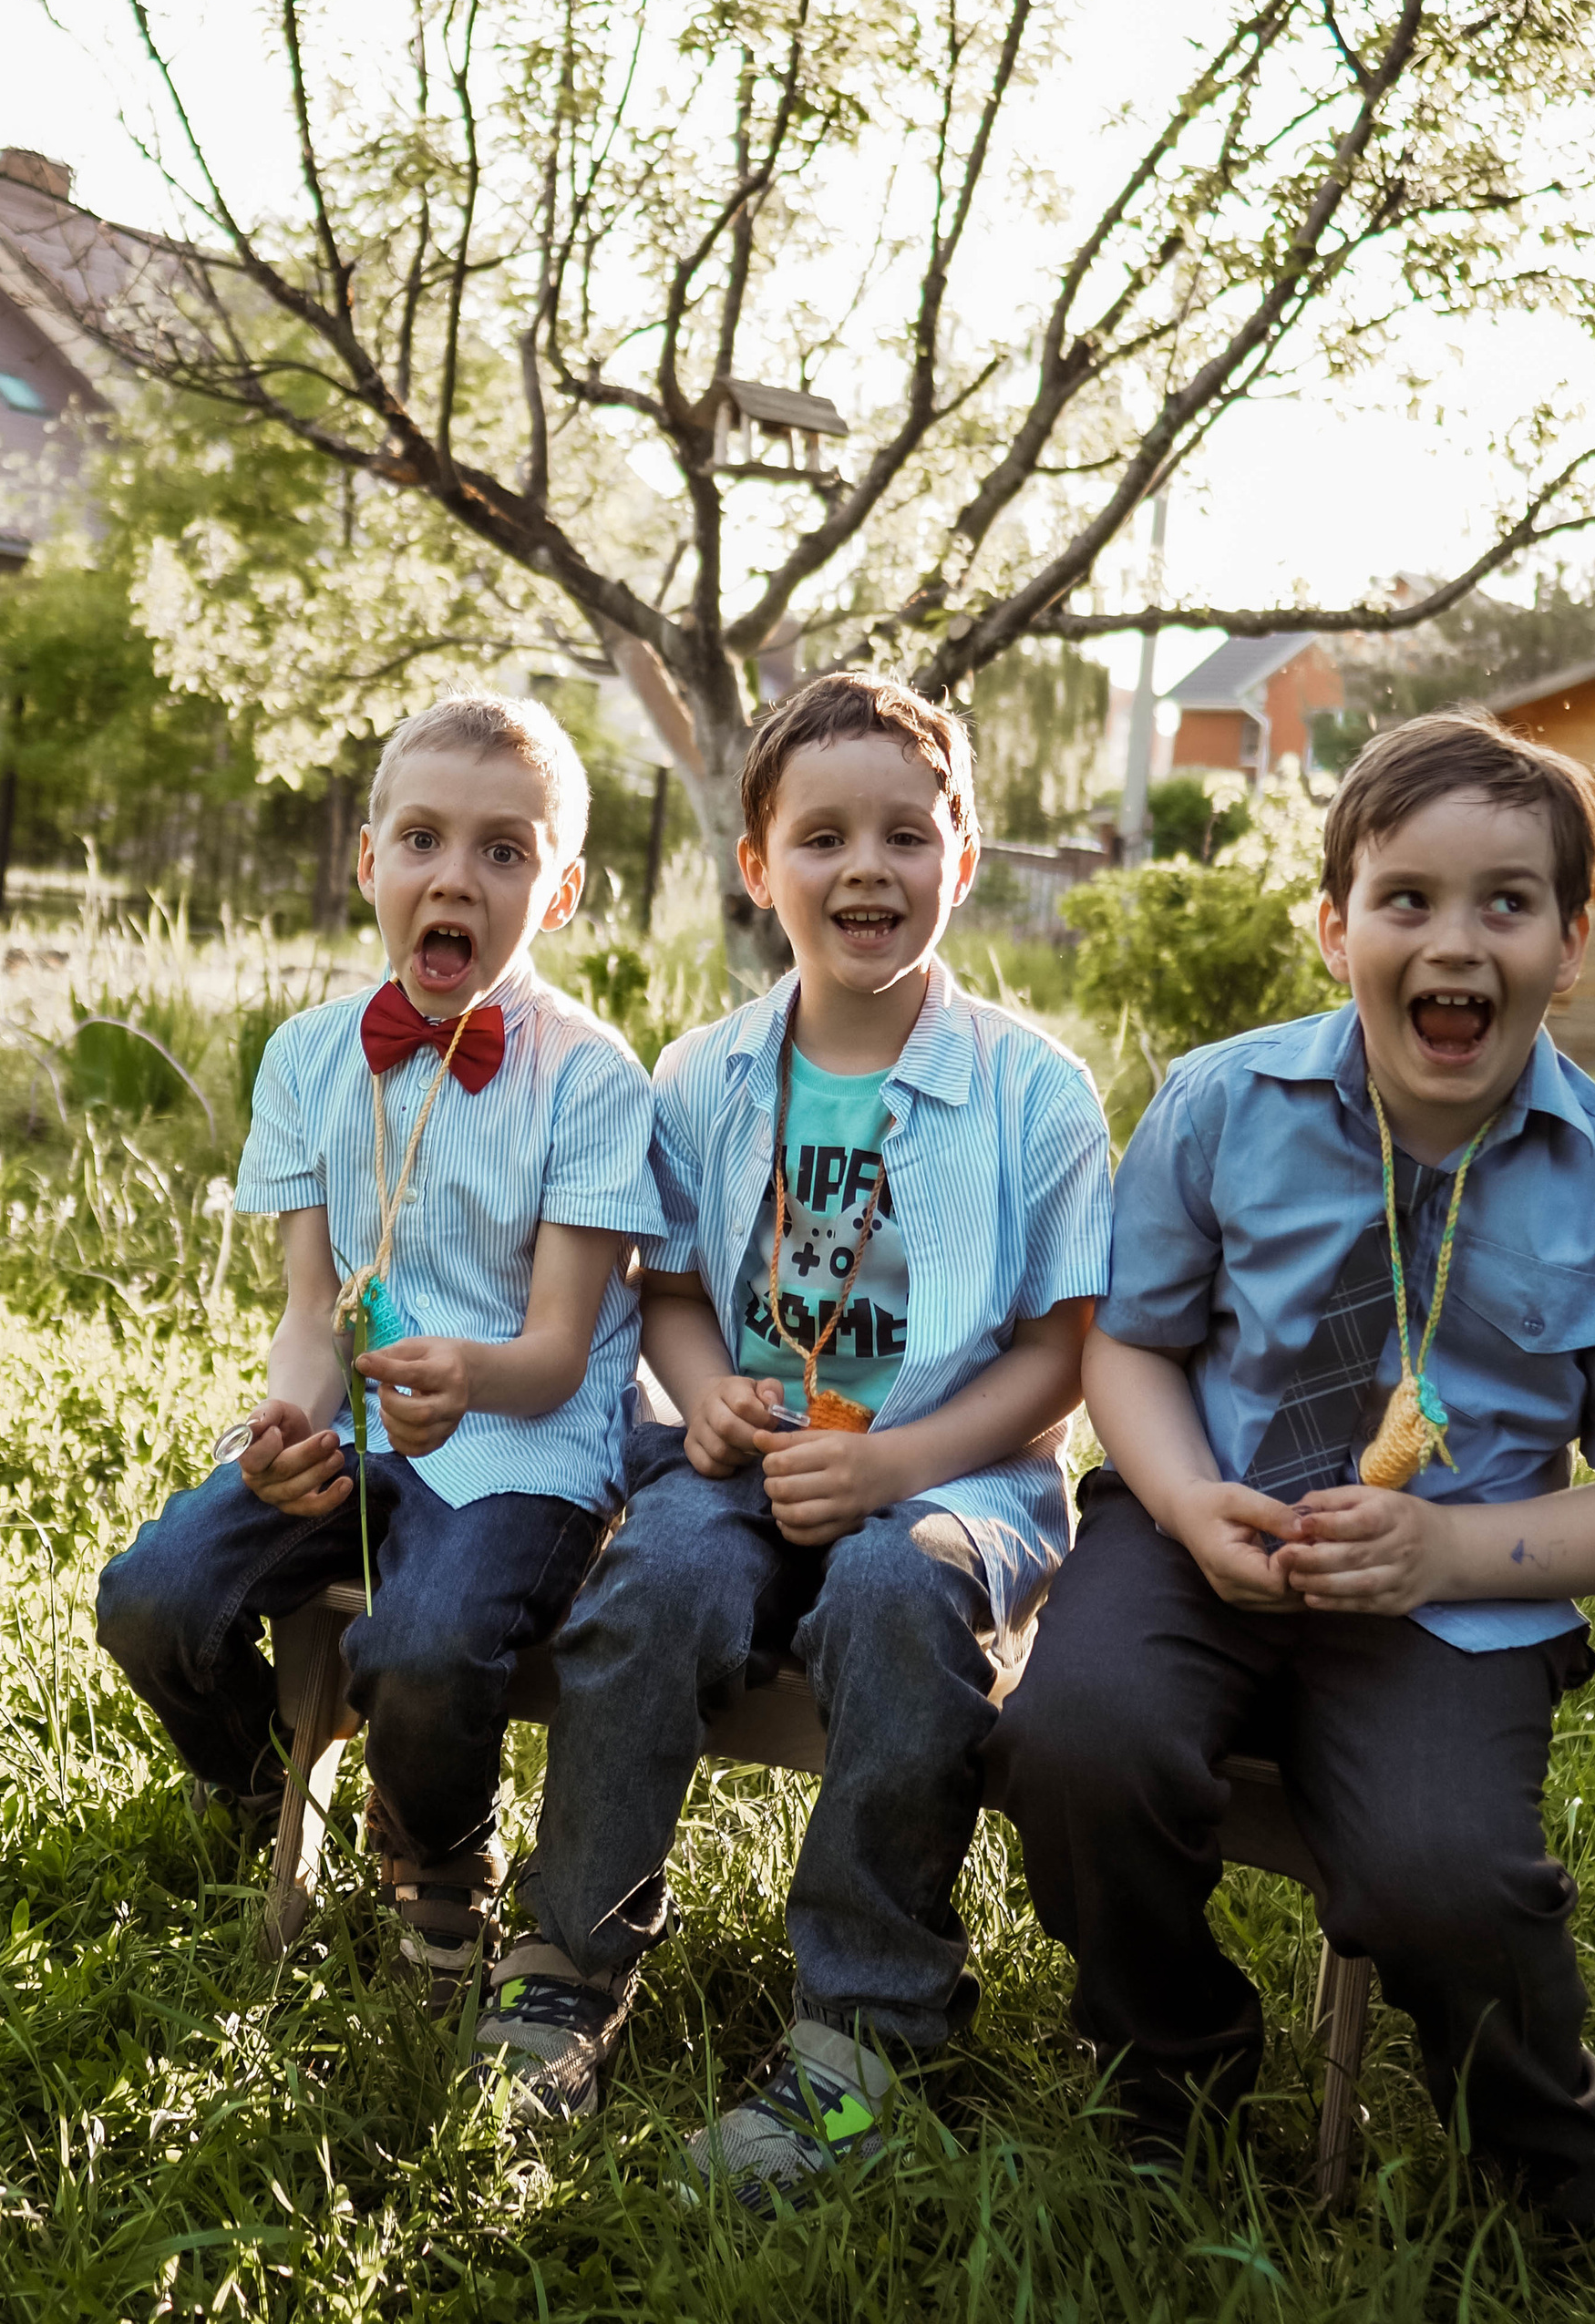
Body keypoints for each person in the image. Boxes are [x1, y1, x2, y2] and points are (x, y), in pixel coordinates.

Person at [993, 709, 1595, 2303]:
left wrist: (1450, 1549)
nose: (1453, 940)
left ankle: (1559, 2155)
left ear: (1567, 937)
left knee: (1442, 1875)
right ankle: (1172, 2065)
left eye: (1506, 902)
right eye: (1407, 898)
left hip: (1446, 1597)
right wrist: (1192, 1502)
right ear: (1335, 924)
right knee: (1076, 1739)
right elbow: (1128, 1341)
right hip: (1201, 1530)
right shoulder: (1219, 1105)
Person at [472, 672, 1113, 2205]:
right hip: (746, 1466)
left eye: (906, 833)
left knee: (901, 1600)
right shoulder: (703, 1076)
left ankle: (866, 2032)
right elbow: (675, 1293)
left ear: (961, 859)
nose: (866, 868)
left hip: (958, 1476)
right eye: (822, 835)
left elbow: (1064, 1351)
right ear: (759, 866)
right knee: (655, 1591)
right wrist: (704, 1396)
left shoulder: (1033, 1091)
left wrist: (898, 1465)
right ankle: (570, 1949)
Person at [95, 693, 660, 2007]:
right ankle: (258, 1776)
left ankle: (440, 1850)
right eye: (422, 839)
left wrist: (470, 1381)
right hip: (359, 1435)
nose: (455, 875)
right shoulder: (305, 1057)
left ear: (559, 891)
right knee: (156, 1592)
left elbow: (566, 1350)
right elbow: (309, 1310)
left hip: (526, 1441)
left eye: (504, 852)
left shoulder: (589, 1077)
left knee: (428, 1637)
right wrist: (284, 1427)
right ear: (368, 862)